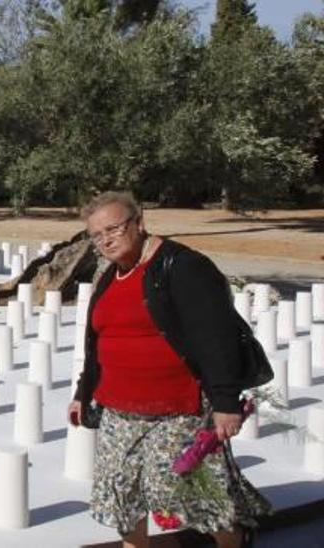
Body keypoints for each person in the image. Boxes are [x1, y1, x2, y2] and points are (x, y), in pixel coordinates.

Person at [69, 191, 271, 548]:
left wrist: (225, 402)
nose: (105, 240)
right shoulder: (110, 273)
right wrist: (83, 393)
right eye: (96, 235)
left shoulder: (182, 266)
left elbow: (217, 336)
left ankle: (234, 540)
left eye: (113, 228)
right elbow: (98, 340)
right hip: (118, 409)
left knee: (183, 495)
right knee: (120, 495)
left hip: (179, 409)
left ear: (140, 222)